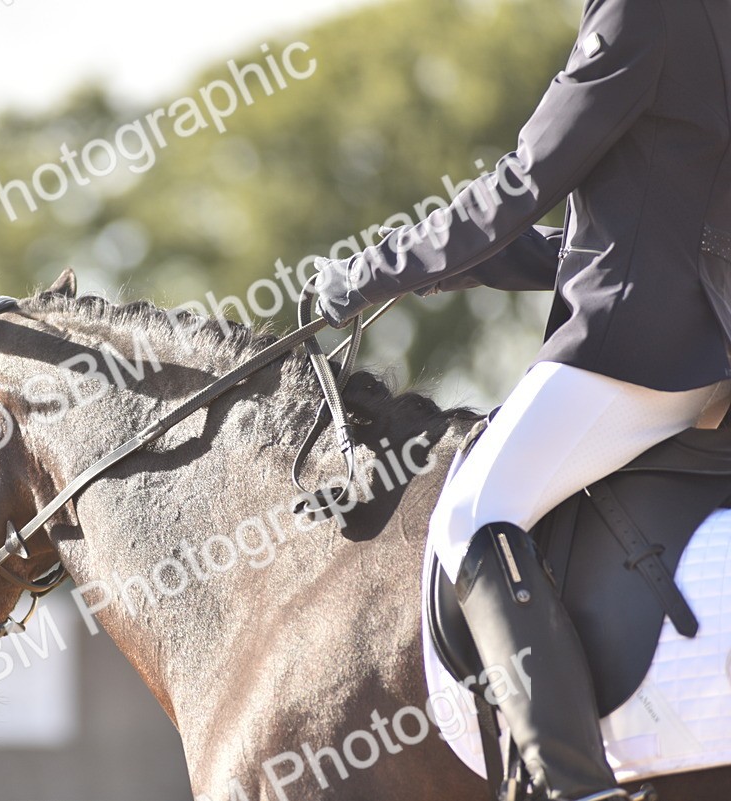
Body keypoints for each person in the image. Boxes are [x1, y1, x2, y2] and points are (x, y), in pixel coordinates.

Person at [311, 1, 731, 799]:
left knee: (474, 511)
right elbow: (598, 235)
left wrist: (367, 273)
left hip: (634, 351)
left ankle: (574, 786)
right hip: (702, 344)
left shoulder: (638, 9)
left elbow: (524, 183)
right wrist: (415, 269)